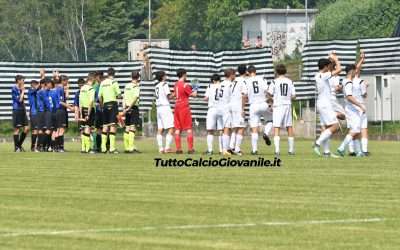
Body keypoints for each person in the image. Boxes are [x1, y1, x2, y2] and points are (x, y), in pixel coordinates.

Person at [312, 53, 342, 157]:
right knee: (336, 126)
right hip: (325, 104)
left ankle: (326, 152)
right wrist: (336, 59)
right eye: (328, 66)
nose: (330, 67)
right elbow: (339, 70)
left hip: (321, 103)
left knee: (327, 128)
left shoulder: (318, 75)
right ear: (325, 66)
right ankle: (317, 143)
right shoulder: (323, 75)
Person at [336, 64, 366, 157]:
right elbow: (349, 97)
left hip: (349, 108)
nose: (356, 72)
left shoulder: (345, 81)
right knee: (356, 129)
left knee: (355, 130)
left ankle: (359, 152)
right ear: (352, 71)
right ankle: (341, 147)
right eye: (355, 70)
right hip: (352, 109)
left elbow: (339, 90)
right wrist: (360, 105)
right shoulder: (348, 82)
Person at [268, 64, 296, 157]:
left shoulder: (274, 82)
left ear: (276, 72)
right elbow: (294, 95)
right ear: (285, 71)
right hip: (287, 105)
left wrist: (270, 98)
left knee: (276, 127)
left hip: (278, 106)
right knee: (289, 127)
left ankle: (277, 150)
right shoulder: (290, 81)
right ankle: (291, 150)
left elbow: (270, 94)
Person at [246, 65, 273, 155]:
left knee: (254, 129)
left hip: (253, 105)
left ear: (248, 73)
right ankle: (266, 132)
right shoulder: (262, 79)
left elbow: (244, 95)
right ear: (255, 71)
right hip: (263, 103)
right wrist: (270, 102)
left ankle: (254, 150)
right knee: (270, 120)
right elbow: (268, 92)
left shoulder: (246, 81)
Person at [349, 51, 369, 156]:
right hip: (360, 106)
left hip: (350, 107)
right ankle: (364, 150)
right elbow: (364, 95)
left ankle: (352, 150)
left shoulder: (346, 81)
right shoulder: (361, 82)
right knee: (363, 128)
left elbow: (357, 67)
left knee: (352, 129)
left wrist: (361, 59)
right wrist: (366, 87)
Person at [173, 68, 198, 154]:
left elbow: (174, 94)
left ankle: (178, 149)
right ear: (183, 74)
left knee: (177, 128)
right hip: (184, 106)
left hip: (176, 106)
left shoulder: (175, 84)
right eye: (186, 74)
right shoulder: (185, 85)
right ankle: (190, 149)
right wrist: (195, 88)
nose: (186, 76)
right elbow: (193, 95)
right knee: (189, 128)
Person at [98, 67, 121, 154]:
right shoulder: (114, 82)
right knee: (113, 126)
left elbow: (99, 96)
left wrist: (101, 105)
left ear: (107, 74)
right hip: (113, 104)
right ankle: (112, 148)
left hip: (105, 105)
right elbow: (118, 95)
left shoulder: (102, 83)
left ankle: (103, 148)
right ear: (114, 74)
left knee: (105, 126)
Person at [229, 65, 248, 156]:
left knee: (234, 128)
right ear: (246, 72)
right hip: (237, 106)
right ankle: (237, 149)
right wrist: (243, 108)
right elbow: (244, 95)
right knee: (241, 127)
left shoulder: (234, 80)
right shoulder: (243, 81)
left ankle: (231, 147)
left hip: (231, 106)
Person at [154, 71, 174, 153]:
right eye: (165, 75)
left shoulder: (156, 86)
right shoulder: (164, 84)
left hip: (158, 108)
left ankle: (161, 148)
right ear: (162, 77)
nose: (166, 76)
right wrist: (176, 92)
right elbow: (169, 96)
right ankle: (167, 148)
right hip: (165, 107)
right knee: (171, 127)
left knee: (160, 129)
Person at [204, 74, 223, 155]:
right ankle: (221, 150)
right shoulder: (223, 86)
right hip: (221, 109)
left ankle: (210, 150)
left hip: (212, 109)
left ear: (213, 81)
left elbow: (206, 98)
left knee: (210, 130)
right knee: (221, 130)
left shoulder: (210, 86)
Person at [122, 71, 141, 153]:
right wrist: (130, 107)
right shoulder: (136, 87)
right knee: (132, 127)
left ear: (131, 77)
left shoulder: (127, 86)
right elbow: (136, 98)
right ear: (138, 77)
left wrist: (124, 108)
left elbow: (124, 98)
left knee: (127, 127)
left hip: (126, 107)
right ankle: (131, 147)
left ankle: (126, 147)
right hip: (133, 108)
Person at [218, 69, 235, 156]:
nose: (234, 76)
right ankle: (225, 149)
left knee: (224, 128)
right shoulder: (231, 84)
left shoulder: (221, 84)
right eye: (234, 74)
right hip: (226, 108)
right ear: (231, 75)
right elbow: (233, 97)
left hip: (220, 107)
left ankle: (226, 148)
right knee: (227, 128)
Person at [11, 75, 29, 152]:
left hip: (22, 110)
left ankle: (19, 145)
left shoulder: (21, 89)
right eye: (22, 80)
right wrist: (23, 91)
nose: (23, 81)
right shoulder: (14, 88)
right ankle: (16, 148)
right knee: (17, 129)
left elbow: (23, 101)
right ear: (18, 80)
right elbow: (19, 100)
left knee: (27, 128)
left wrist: (25, 111)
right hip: (17, 110)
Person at [79, 73, 96, 153]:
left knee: (84, 127)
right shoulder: (91, 89)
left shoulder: (82, 88)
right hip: (89, 109)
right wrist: (88, 113)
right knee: (88, 128)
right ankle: (88, 148)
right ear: (92, 80)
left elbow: (80, 102)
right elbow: (91, 101)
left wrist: (81, 113)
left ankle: (83, 148)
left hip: (82, 109)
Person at [37, 78, 53, 152]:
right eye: (50, 83)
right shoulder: (43, 92)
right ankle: (41, 146)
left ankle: (41, 147)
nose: (51, 85)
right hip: (45, 112)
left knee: (43, 130)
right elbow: (47, 102)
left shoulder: (44, 91)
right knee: (48, 130)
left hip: (42, 112)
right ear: (47, 84)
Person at [28, 80, 40, 152]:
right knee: (35, 130)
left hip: (38, 112)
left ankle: (36, 146)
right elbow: (35, 90)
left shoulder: (37, 92)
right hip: (34, 112)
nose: (37, 85)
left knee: (38, 130)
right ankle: (33, 147)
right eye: (36, 84)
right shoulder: (30, 91)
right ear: (32, 84)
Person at [93, 71, 104, 152]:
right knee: (99, 129)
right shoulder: (96, 86)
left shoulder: (98, 86)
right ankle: (98, 146)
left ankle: (99, 147)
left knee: (101, 129)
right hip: (99, 110)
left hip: (100, 109)